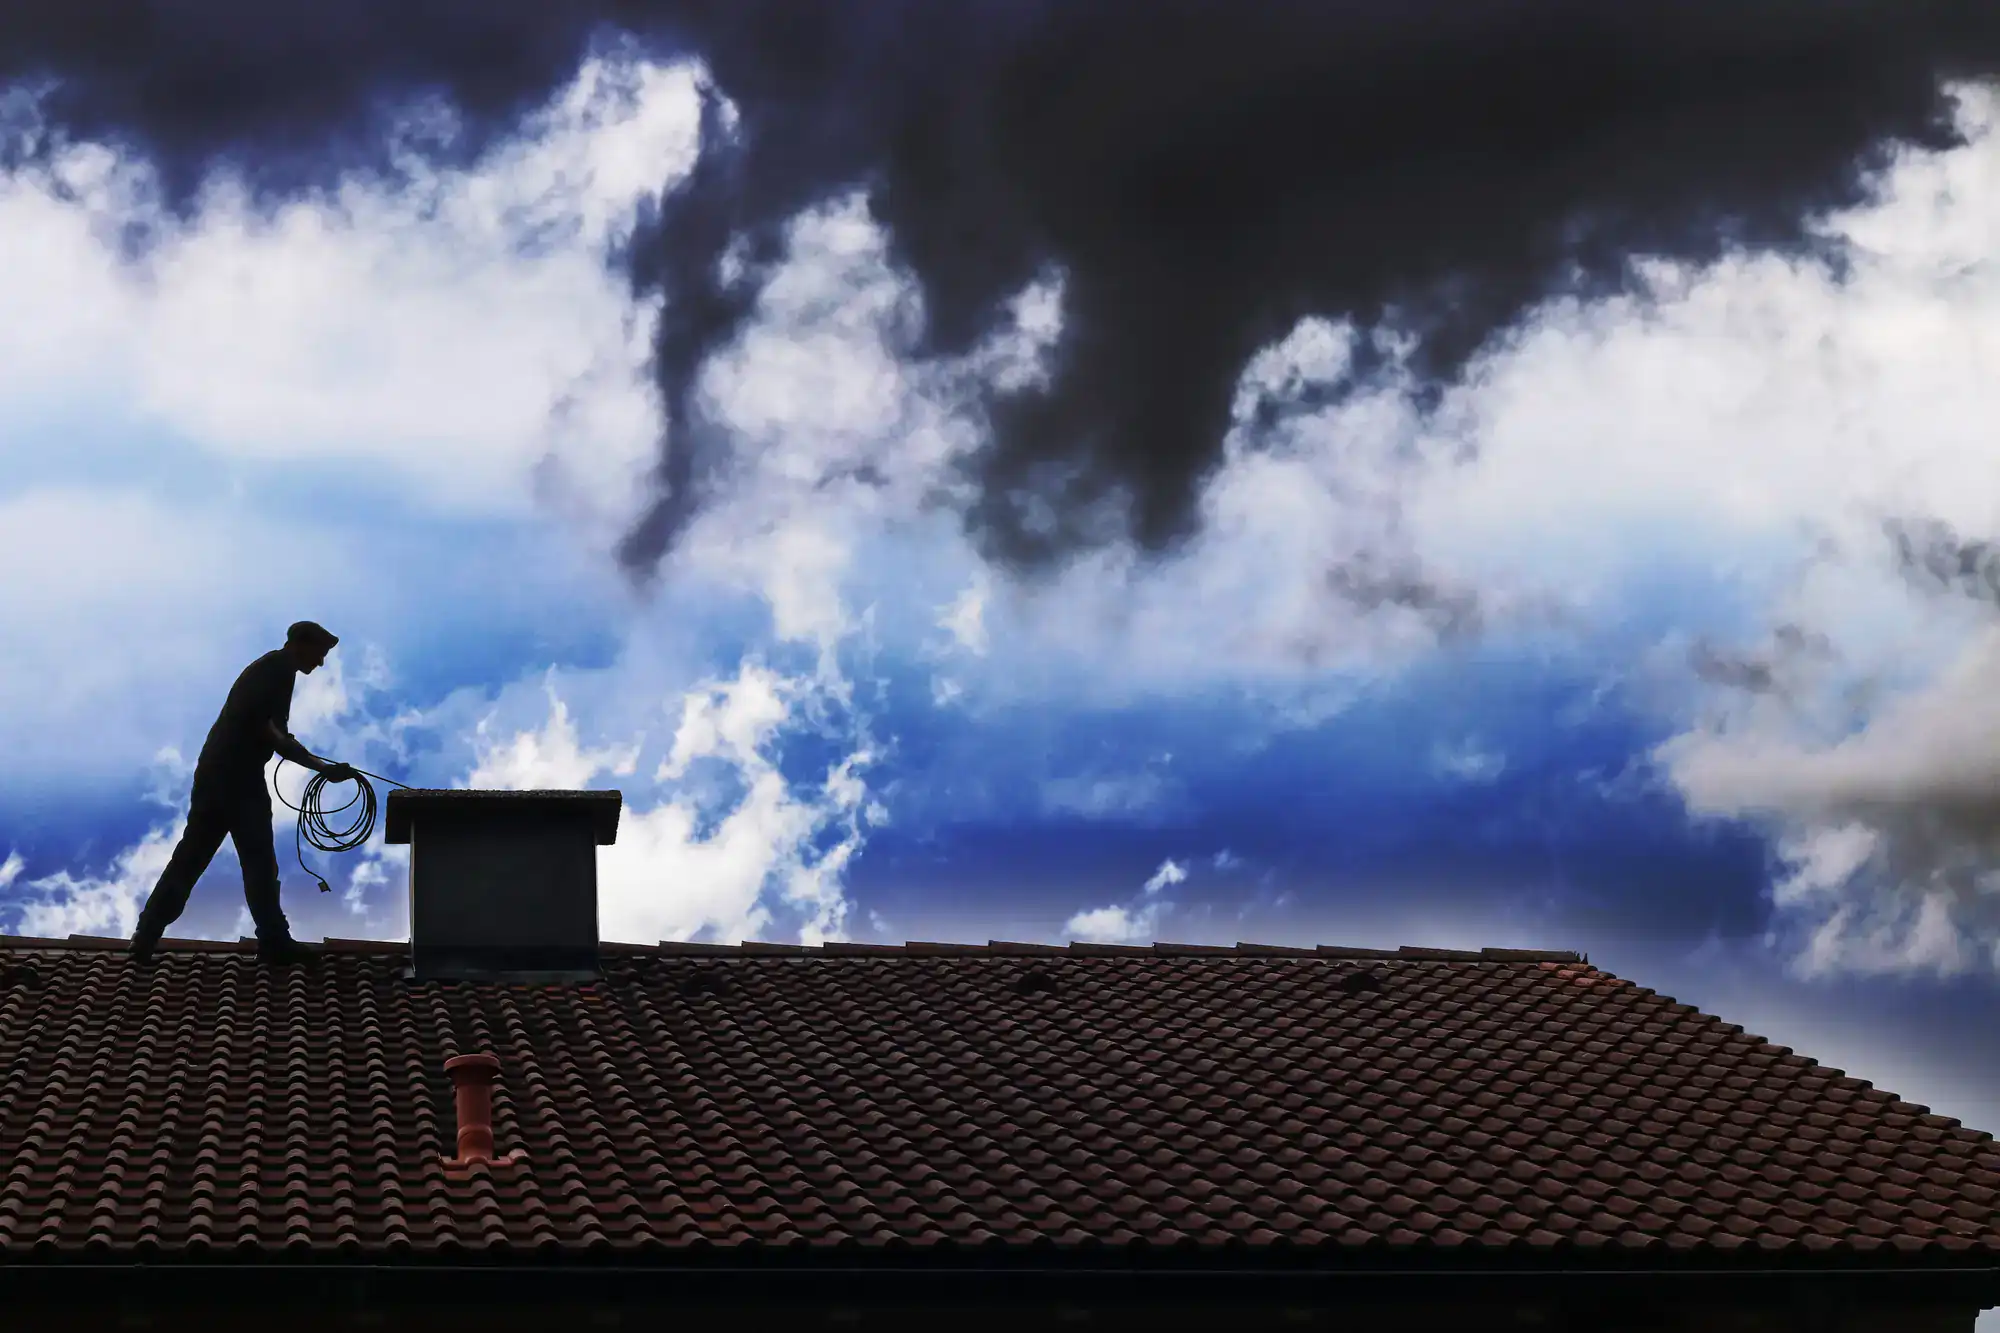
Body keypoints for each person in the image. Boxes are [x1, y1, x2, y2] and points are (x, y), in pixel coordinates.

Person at [128, 621, 357, 966]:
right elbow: (274, 733)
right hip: (236, 779)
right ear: (301, 644)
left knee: (193, 859)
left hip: (219, 774)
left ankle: (145, 937)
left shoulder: (274, 669)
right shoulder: (276, 670)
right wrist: (321, 767)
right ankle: (274, 940)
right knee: (257, 862)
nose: (321, 662)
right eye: (320, 653)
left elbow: (271, 730)